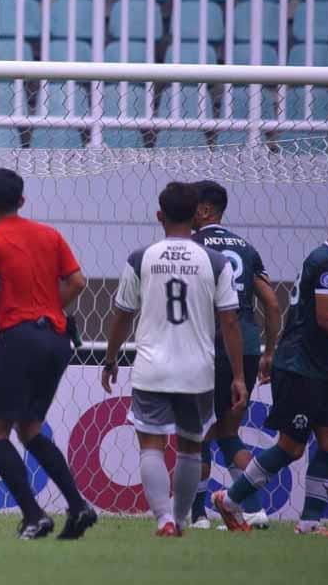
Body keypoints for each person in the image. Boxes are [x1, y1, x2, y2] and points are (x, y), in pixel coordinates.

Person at [102, 182, 246, 537]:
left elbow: (123, 314)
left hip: (152, 368)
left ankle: (164, 519)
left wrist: (111, 357)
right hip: (197, 371)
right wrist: (239, 375)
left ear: (159, 215)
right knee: (190, 447)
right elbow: (230, 321)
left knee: (151, 444)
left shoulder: (141, 257)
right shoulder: (216, 262)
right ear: (196, 214)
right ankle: (181, 520)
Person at [0, 168, 96, 540]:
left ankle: (34, 514)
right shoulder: (50, 235)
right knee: (30, 429)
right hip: (57, 341)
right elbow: (78, 281)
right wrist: (51, 309)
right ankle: (78, 506)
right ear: (22, 200)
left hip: (20, 339)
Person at [213, 195, 328, 536]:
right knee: (291, 446)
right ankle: (230, 499)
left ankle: (310, 523)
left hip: (323, 364)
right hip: (300, 364)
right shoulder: (326, 262)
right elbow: (326, 318)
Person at [189, 180, 280, 529]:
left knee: (196, 431)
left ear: (205, 210)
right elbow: (271, 303)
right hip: (247, 346)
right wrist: (269, 351)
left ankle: (198, 516)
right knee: (228, 433)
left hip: (209, 343)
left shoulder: (193, 246)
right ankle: (255, 511)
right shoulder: (246, 247)